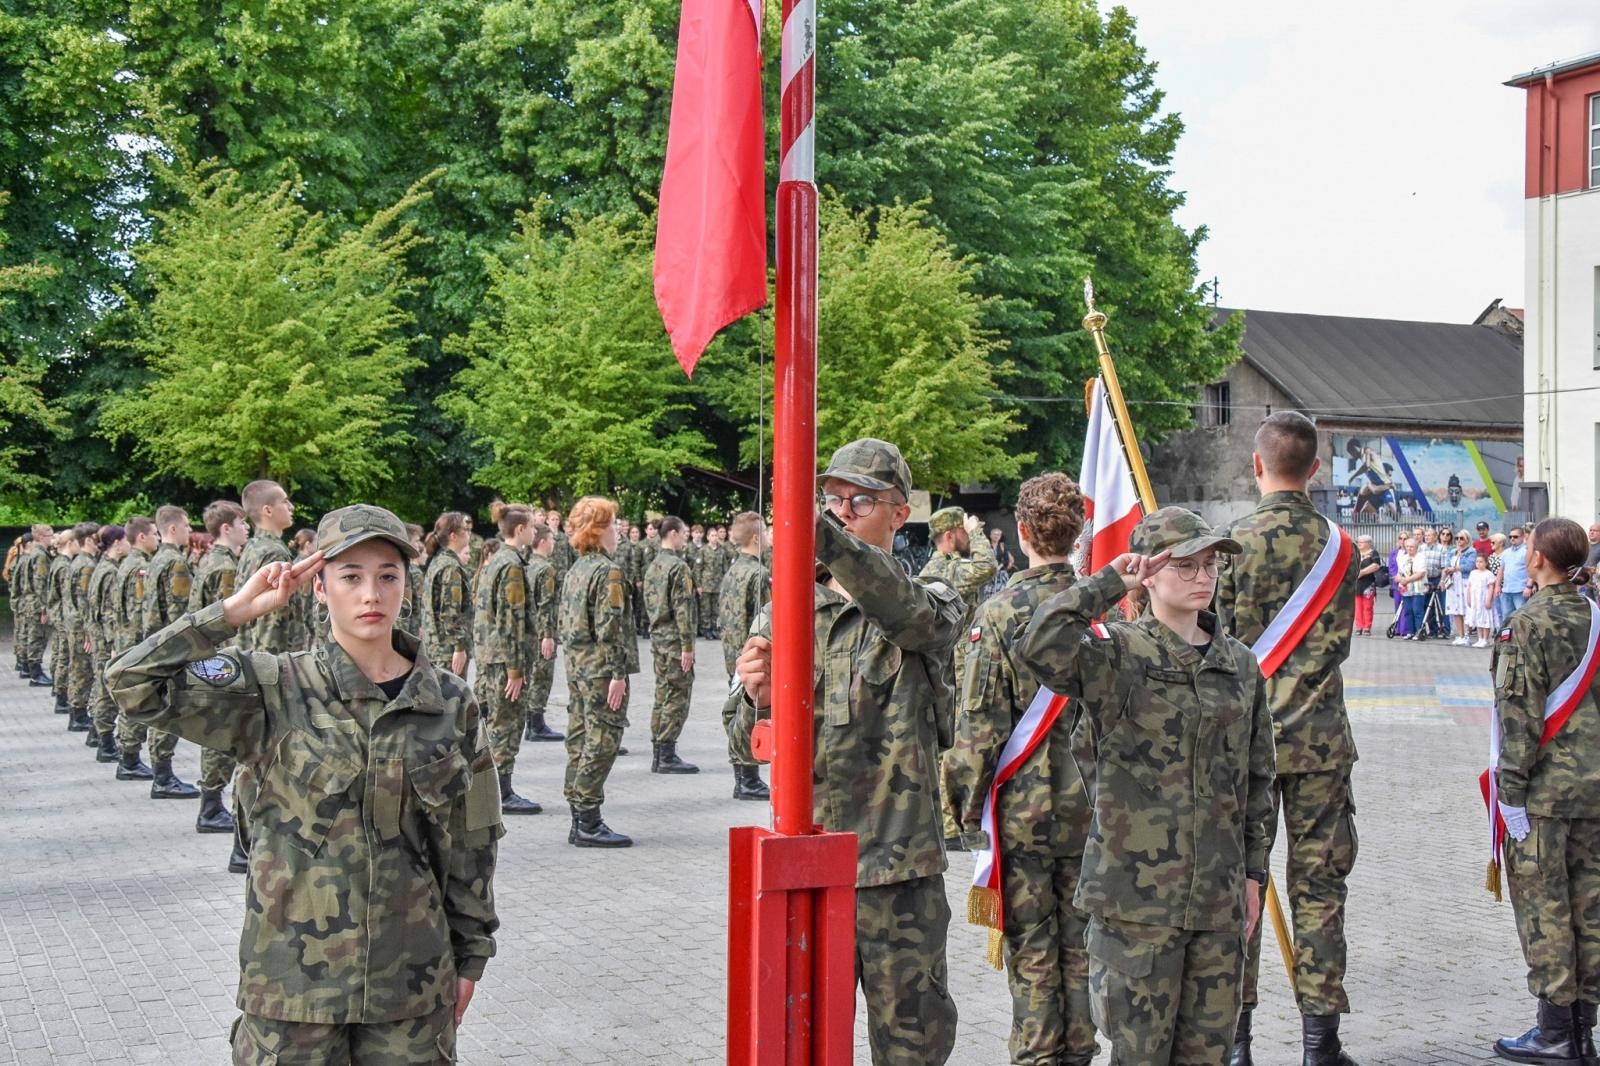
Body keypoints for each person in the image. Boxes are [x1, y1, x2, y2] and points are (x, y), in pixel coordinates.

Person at [106, 504, 502, 1065]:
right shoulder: (270, 689)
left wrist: (472, 955)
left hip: (411, 988)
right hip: (291, 993)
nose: (371, 594)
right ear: (318, 586)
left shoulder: (449, 701)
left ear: (405, 586)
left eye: (388, 575)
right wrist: (233, 612)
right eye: (350, 577)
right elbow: (130, 683)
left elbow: (473, 837)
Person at [732, 438, 963, 1066]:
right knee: (803, 1046)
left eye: (857, 501)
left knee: (912, 1046)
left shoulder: (934, 597)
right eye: (830, 500)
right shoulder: (785, 611)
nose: (840, 512)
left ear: (898, 512)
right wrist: (758, 698)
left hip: (896, 871)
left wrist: (821, 536)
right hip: (809, 864)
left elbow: (908, 613)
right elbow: (744, 747)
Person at [1019, 506, 1274, 1066]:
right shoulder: (1118, 655)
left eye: (1210, 565)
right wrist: (1109, 580)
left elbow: (1258, 782)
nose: (1203, 576)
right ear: (1150, 574)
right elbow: (1036, 645)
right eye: (1186, 565)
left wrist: (1255, 874)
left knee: (1207, 1056)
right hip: (1136, 907)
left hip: (1218, 902)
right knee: (1139, 1057)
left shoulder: (1241, 666)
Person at [1215, 411, 1363, 1066]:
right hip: (1320, 742)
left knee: (1240, 885)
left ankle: (1236, 1046)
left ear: (1256, 465)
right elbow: (1344, 643)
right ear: (1316, 469)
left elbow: (1211, 648)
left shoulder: (1229, 544)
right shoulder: (1343, 547)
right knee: (1321, 891)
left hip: (1246, 745)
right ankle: (1319, 1046)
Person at [946, 472, 1100, 1066]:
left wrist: (961, 807)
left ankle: (1038, 1058)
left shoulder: (1001, 612)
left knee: (1034, 956)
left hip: (1025, 816)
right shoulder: (1099, 607)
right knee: (1081, 950)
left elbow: (979, 727)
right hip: (1091, 813)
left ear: (1024, 531)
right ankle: (1079, 1055)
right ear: (1078, 532)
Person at [1487, 517, 1600, 1063]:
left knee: (1546, 908)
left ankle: (1556, 1030)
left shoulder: (1525, 626)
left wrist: (1508, 797)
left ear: (1536, 559)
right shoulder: (1596, 619)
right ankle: (1584, 1030)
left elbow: (1519, 719)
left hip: (1543, 795)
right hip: (1595, 791)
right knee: (1591, 907)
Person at [559, 496, 639, 847]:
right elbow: (610, 627)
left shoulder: (576, 569)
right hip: (600, 670)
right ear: (598, 531)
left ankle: (580, 815)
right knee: (603, 738)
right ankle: (588, 819)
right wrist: (617, 674)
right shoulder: (608, 572)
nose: (618, 531)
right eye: (612, 525)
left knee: (580, 734)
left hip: (578, 666)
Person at [921, 506, 999, 848]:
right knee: (954, 744)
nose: (970, 537)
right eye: (965, 532)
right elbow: (987, 566)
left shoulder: (939, 565)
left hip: (949, 666)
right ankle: (950, 828)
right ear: (951, 536)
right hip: (952, 667)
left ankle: (950, 824)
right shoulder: (946, 568)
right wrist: (978, 533)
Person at [471, 504, 544, 815]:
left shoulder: (496, 560)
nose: (535, 532)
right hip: (505, 659)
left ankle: (491, 788)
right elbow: (511, 620)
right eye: (531, 527)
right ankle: (501, 791)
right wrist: (516, 669)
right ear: (519, 530)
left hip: (491, 654)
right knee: (507, 724)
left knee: (496, 722)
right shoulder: (512, 566)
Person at [188, 500, 252, 840]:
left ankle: (210, 802)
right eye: (242, 523)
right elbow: (230, 618)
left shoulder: (211, 559)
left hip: (208, 654)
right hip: (220, 657)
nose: (247, 528)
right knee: (221, 732)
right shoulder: (225, 567)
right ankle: (211, 806)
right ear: (225, 528)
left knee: (218, 729)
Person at [140, 505, 204, 799]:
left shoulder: (155, 560)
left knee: (162, 705)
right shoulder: (175, 562)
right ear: (174, 528)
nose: (191, 531)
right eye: (188, 525)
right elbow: (181, 615)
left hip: (156, 642)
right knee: (171, 708)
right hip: (172, 648)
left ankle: (161, 774)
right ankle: (163, 778)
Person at [717, 511, 771, 801]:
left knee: (736, 711)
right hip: (751, 655)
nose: (769, 537)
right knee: (750, 711)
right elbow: (765, 622)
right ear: (755, 537)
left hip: (732, 652)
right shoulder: (759, 573)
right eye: (765, 531)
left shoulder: (734, 569)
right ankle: (748, 779)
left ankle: (744, 778)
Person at [642, 516, 699, 775]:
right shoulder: (678, 567)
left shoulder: (653, 565)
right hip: (675, 640)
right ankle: (666, 752)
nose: (686, 536)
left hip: (658, 638)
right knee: (678, 695)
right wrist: (688, 645)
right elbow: (683, 609)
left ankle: (659, 750)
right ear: (673, 534)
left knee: (662, 693)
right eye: (684, 532)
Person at [111, 516, 160, 781]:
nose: (158, 538)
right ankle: (129, 759)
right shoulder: (140, 567)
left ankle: (127, 756)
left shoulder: (125, 563)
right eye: (154, 533)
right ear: (142, 537)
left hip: (124, 638)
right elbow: (143, 609)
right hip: (135, 641)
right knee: (137, 698)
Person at [235, 481, 307, 655]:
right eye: (284, 501)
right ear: (268, 510)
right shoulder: (275, 553)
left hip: (248, 652)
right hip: (272, 664)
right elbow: (273, 621)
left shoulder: (253, 546)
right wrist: (273, 674)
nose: (291, 507)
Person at [85, 526, 128, 763]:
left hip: (98, 635)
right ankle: (106, 743)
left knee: (102, 686)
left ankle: (100, 734)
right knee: (105, 690)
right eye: (125, 540)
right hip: (106, 639)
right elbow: (110, 612)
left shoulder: (101, 566)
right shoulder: (110, 571)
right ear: (117, 543)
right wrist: (114, 642)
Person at [520, 522, 564, 744]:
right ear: (544, 542)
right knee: (542, 676)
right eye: (553, 540)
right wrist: (548, 634)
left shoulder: (527, 565)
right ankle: (536, 724)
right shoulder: (545, 569)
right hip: (542, 630)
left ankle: (532, 721)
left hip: (529, 629)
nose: (555, 544)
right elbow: (546, 604)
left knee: (533, 674)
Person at [421, 512, 474, 677]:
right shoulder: (450, 567)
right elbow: (450, 613)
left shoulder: (438, 561)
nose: (468, 533)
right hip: (448, 650)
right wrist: (459, 647)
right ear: (453, 536)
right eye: (464, 530)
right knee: (452, 699)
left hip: (436, 646)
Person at [64, 523, 101, 734]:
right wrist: (89, 631)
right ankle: (78, 714)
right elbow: (86, 601)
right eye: (96, 539)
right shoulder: (86, 565)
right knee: (82, 670)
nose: (100, 544)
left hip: (74, 622)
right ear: (88, 540)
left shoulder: (78, 562)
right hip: (81, 624)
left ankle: (77, 712)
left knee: (79, 667)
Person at [1396, 537, 1429, 640]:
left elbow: (1421, 573)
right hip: (1406, 589)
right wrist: (1399, 580)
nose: (1409, 548)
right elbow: (1400, 572)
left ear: (1417, 547)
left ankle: (1419, 631)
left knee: (1417, 611)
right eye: (1407, 546)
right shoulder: (1403, 558)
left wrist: (1407, 580)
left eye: (1412, 546)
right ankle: (1410, 631)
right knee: (1408, 611)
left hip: (1418, 588)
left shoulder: (1421, 557)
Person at [1447, 530, 1476, 645]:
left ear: (1467, 540)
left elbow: (1469, 566)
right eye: (1457, 538)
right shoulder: (1452, 552)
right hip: (1454, 582)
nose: (1459, 540)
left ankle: (1467, 635)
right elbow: (1447, 564)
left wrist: (1455, 568)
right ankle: (1460, 635)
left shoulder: (1471, 551)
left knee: (1466, 609)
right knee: (1456, 610)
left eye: (1461, 538)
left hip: (1464, 581)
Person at [1498, 526, 1532, 622]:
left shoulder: (1526, 552)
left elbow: (1531, 570)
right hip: (1506, 591)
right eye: (1510, 537)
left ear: (1522, 537)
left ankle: (1521, 637)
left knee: (1522, 618)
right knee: (1507, 619)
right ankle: (1507, 637)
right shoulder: (1506, 552)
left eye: (1515, 536)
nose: (1512, 538)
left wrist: (1529, 586)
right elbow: (1501, 570)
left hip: (1520, 591)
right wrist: (1497, 586)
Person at [1353, 535, 1382, 636]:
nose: (1359, 544)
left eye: (1361, 542)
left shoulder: (1373, 553)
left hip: (1368, 584)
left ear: (1368, 543)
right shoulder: (1355, 553)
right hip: (1357, 584)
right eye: (1358, 542)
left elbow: (1376, 566)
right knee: (1357, 606)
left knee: (1367, 606)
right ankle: (1359, 626)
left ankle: (1367, 627)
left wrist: (1362, 572)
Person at [1466, 553, 1497, 646]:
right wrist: (1469, 598)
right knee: (1478, 618)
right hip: (1475, 600)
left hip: (1483, 598)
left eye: (1481, 562)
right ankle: (1480, 638)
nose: (1478, 563)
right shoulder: (1473, 573)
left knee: (1485, 618)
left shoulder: (1488, 574)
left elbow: (1491, 587)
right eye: (1477, 561)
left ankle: (1485, 639)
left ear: (1486, 563)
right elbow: (1470, 586)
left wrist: (1488, 600)